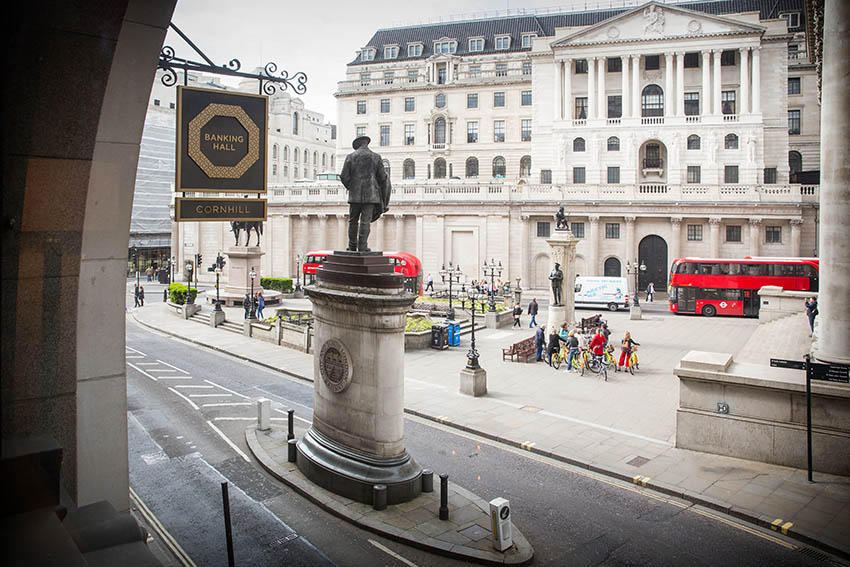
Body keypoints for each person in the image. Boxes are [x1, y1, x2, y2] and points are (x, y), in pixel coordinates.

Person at [340, 135, 391, 252]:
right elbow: (383, 177)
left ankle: (352, 246)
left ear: (357, 145)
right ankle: (362, 246)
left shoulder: (350, 157)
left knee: (353, 221)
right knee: (365, 222)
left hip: (355, 195)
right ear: (367, 143)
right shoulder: (376, 157)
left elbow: (343, 176)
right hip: (371, 195)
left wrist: (351, 186)